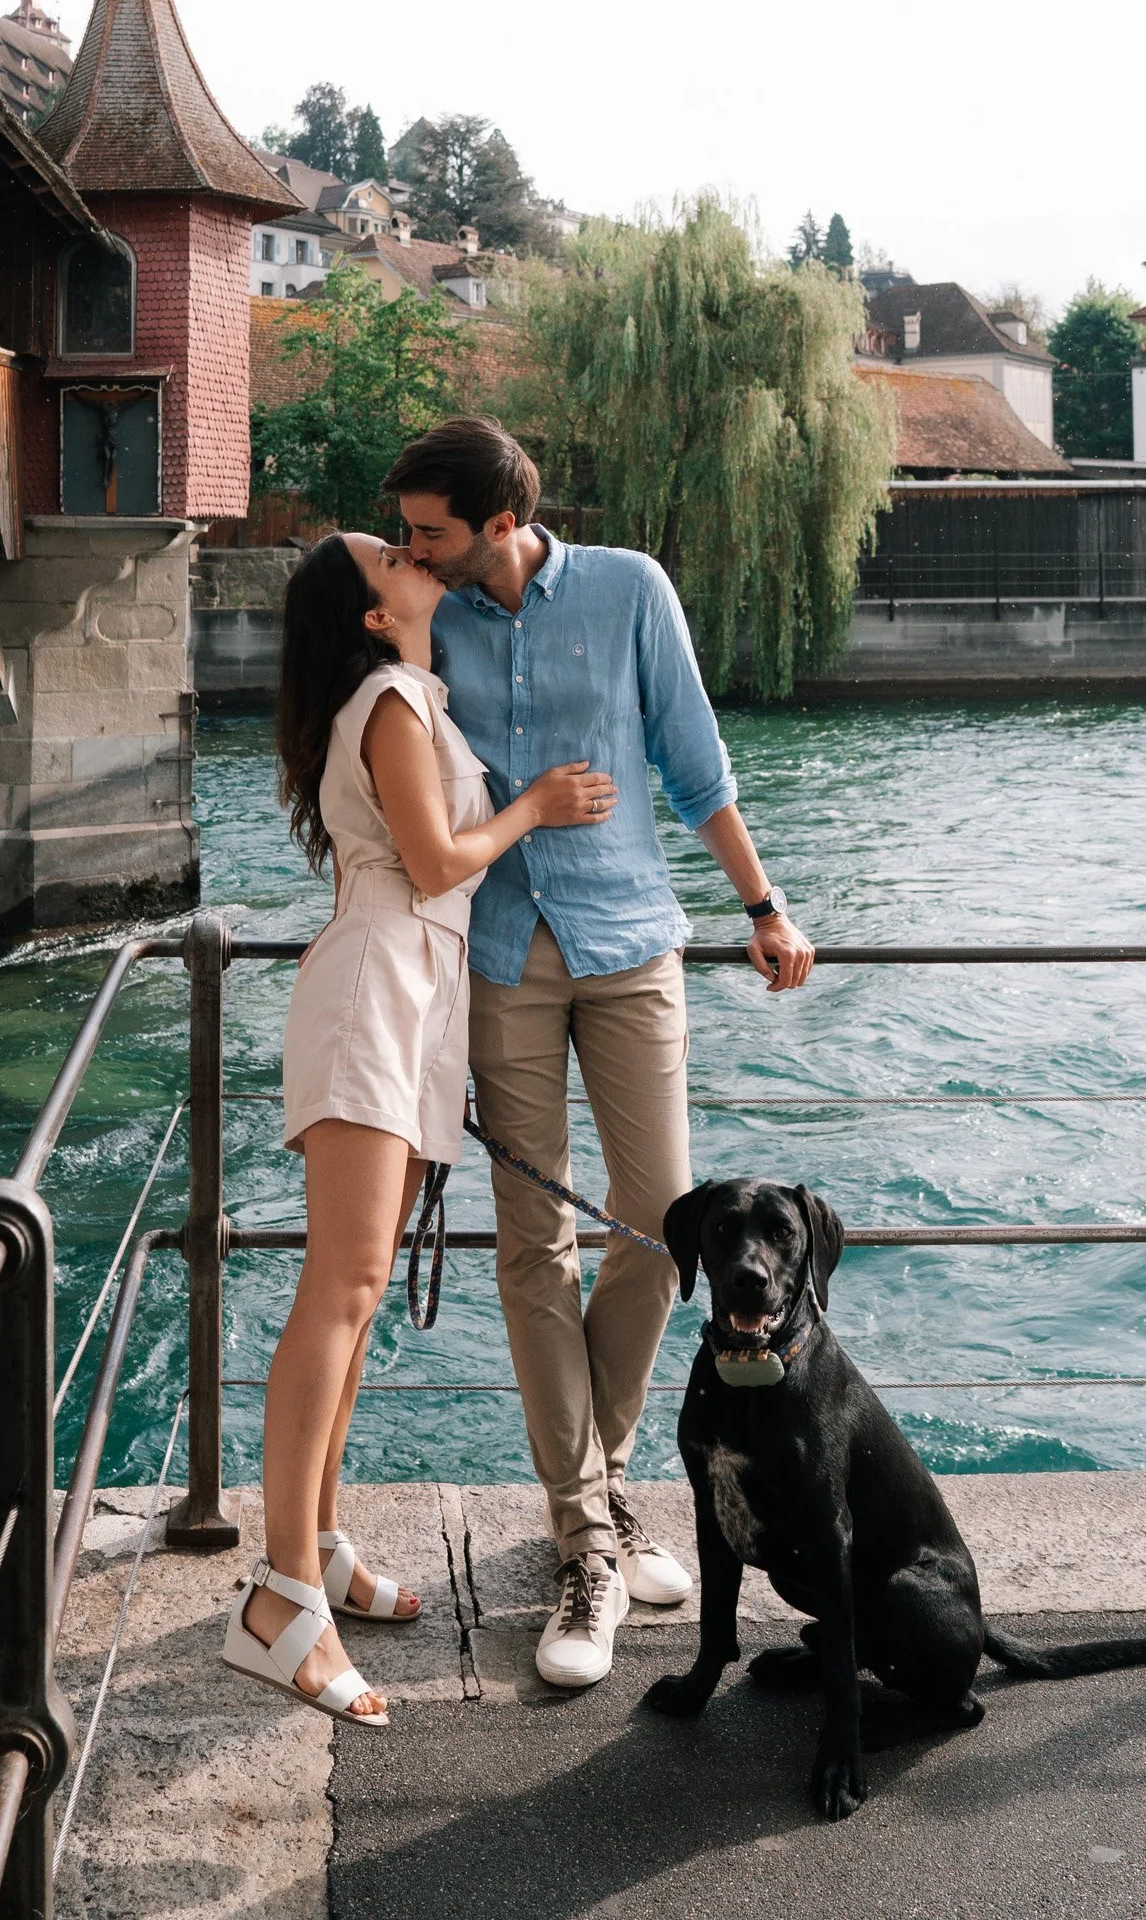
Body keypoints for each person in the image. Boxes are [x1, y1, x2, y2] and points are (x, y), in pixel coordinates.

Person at [384, 415, 814, 1692]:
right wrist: (402, 595)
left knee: (656, 1221)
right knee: (533, 1242)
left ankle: (603, 1486)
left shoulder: (629, 589)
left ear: (502, 522)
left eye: (432, 531)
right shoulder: (427, 610)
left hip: (630, 945)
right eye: (405, 533)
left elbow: (694, 766)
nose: (412, 549)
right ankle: (586, 1539)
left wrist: (762, 908)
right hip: (498, 954)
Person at [224, 528, 617, 1726]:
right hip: (375, 997)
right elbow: (438, 863)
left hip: (409, 999)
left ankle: (318, 1543)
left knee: (356, 1295)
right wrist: (535, 806)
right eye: (392, 556)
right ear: (372, 613)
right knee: (338, 1293)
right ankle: (281, 1601)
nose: (415, 558)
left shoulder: (409, 700)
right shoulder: (392, 700)